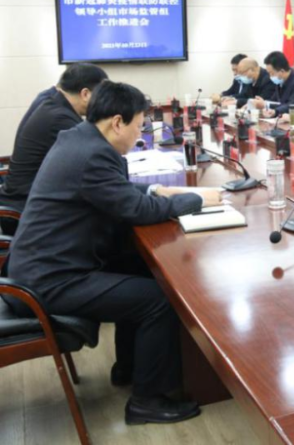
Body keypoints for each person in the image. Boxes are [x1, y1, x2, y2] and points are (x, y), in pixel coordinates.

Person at [3, 81, 222, 424]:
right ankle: (147, 401)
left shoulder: (80, 139)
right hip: (49, 282)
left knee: (140, 267)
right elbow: (137, 210)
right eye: (139, 126)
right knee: (159, 300)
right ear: (118, 122)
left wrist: (159, 190)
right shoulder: (93, 154)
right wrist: (194, 199)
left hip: (43, 266)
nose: (139, 135)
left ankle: (129, 368)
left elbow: (116, 191)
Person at [0, 63, 108, 230]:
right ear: (85, 94)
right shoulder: (60, 118)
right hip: (28, 211)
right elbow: (95, 160)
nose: (101, 103)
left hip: (21, 197)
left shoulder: (49, 97)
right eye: (101, 96)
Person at [254, 51, 294, 117]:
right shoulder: (280, 80)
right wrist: (264, 103)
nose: (270, 77)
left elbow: (291, 105)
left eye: (272, 73)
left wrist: (268, 106)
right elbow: (274, 101)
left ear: (282, 71)